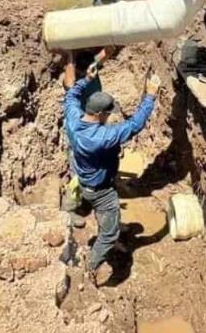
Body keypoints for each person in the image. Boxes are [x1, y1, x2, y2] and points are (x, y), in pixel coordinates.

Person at [63, 52, 160, 286]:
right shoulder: (103, 137)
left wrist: (86, 79)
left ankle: (88, 216)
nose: (109, 117)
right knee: (109, 233)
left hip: (84, 176)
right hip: (101, 191)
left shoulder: (74, 117)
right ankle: (90, 267)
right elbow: (135, 125)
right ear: (100, 114)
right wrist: (150, 96)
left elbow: (71, 93)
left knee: (101, 212)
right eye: (108, 113)